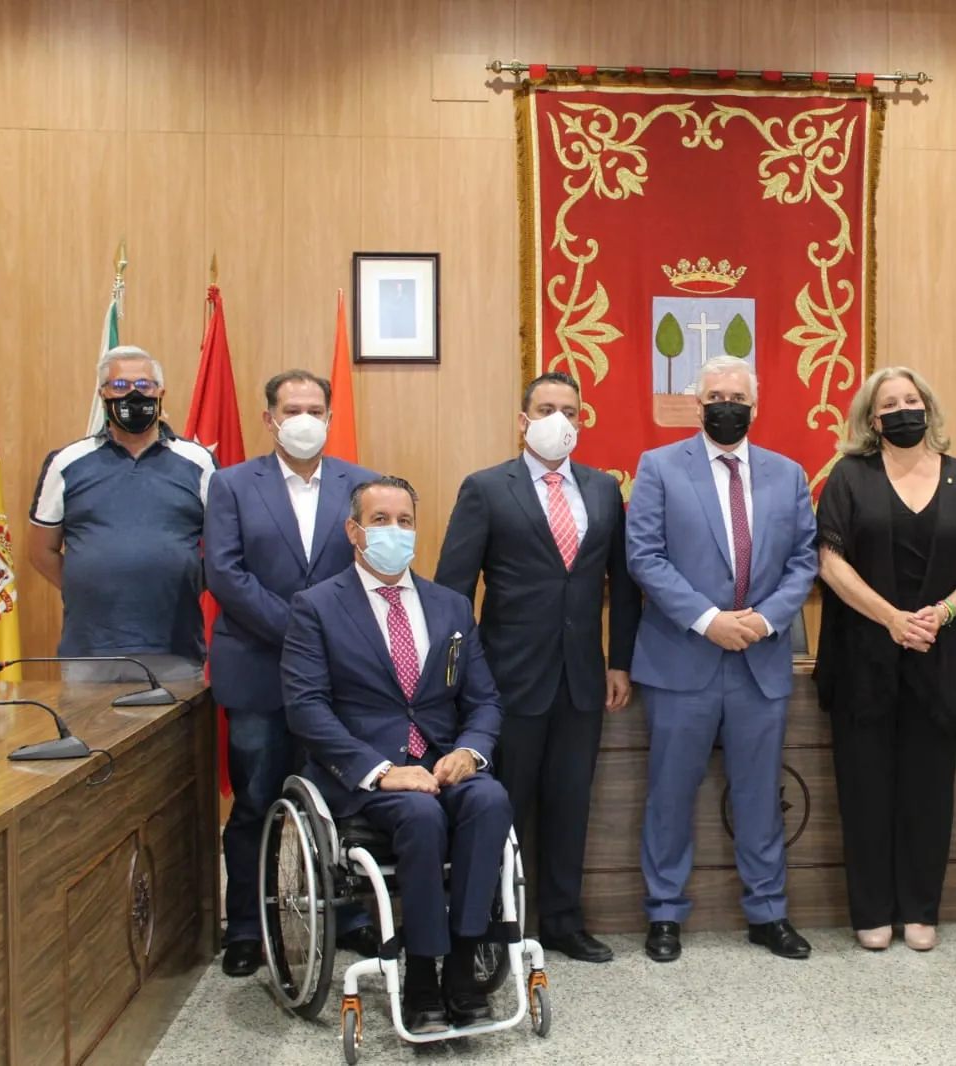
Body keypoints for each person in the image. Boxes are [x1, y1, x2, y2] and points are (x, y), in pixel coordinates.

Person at [281, 476, 512, 1033]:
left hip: (441, 762)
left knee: (490, 799)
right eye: (380, 521)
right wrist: (381, 772)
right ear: (354, 531)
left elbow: (483, 700)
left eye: (404, 521)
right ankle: (424, 976)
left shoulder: (451, 606)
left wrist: (470, 752)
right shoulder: (316, 606)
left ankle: (463, 964)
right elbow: (306, 708)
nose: (395, 532)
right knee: (420, 814)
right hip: (369, 775)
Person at [434, 371, 640, 964]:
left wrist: (619, 661)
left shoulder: (603, 490)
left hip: (583, 678)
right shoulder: (486, 487)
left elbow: (621, 587)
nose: (558, 419)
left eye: (569, 410)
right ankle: (496, 923)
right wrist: (461, 679)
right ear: (522, 420)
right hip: (506, 678)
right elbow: (453, 590)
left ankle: (564, 921)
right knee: (504, 803)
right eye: (546, 408)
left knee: (571, 801)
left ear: (582, 420)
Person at [625, 355, 819, 962]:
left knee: (761, 794)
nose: (725, 404)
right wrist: (711, 620)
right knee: (669, 793)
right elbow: (645, 556)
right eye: (715, 395)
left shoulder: (788, 475)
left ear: (755, 407)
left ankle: (767, 912)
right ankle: (663, 915)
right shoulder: (658, 467)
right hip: (682, 658)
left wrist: (763, 620)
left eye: (737, 395)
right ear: (697, 402)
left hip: (759, 661)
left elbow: (804, 561)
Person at [814, 367, 956, 952]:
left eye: (911, 399)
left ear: (928, 407)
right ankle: (872, 910)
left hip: (941, 658)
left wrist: (942, 613)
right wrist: (892, 618)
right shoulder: (850, 478)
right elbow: (829, 559)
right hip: (864, 659)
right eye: (889, 404)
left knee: (930, 791)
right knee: (865, 788)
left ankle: (922, 908)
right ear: (872, 421)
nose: (902, 410)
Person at [204, 369, 379, 977]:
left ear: (330, 418)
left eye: (314, 408)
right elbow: (225, 575)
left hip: (341, 679)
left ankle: (351, 915)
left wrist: (323, 642)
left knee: (344, 798)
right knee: (256, 799)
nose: (304, 418)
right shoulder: (230, 485)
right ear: (269, 418)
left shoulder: (362, 485)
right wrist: (304, 631)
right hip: (257, 670)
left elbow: (370, 571)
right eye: (291, 408)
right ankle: (250, 926)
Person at [29, 346, 215, 683]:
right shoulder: (67, 461)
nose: (133, 394)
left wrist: (182, 582)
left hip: (173, 647)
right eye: (120, 386)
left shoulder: (198, 462)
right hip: (89, 649)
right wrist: (84, 587)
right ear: (102, 394)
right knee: (89, 736)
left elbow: (222, 548)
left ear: (161, 393)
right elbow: (41, 551)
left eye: (144, 385)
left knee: (173, 737)